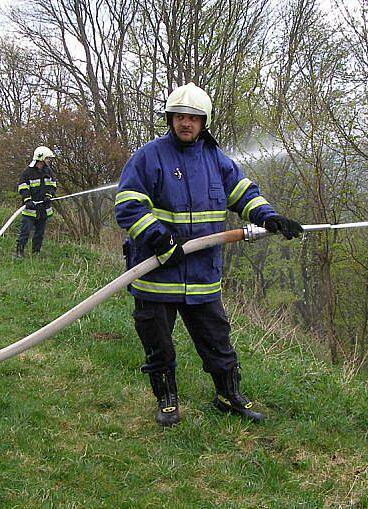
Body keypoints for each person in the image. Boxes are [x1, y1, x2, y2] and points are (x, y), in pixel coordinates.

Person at [115, 83, 303, 427]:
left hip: (202, 277)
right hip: (157, 272)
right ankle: (167, 401)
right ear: (170, 119)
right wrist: (157, 237)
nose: (186, 123)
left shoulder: (216, 161)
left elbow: (244, 194)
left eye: (194, 118)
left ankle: (228, 397)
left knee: (217, 342)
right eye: (180, 117)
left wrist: (268, 216)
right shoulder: (148, 157)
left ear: (204, 122)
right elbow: (127, 205)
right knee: (158, 346)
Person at [15, 146, 58, 258]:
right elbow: (23, 187)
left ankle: (36, 253)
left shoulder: (48, 172)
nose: (49, 161)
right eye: (48, 158)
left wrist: (49, 196)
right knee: (25, 232)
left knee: (39, 234)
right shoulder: (27, 172)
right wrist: (27, 200)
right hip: (30, 210)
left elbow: (53, 185)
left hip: (43, 209)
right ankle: (20, 252)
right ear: (41, 158)